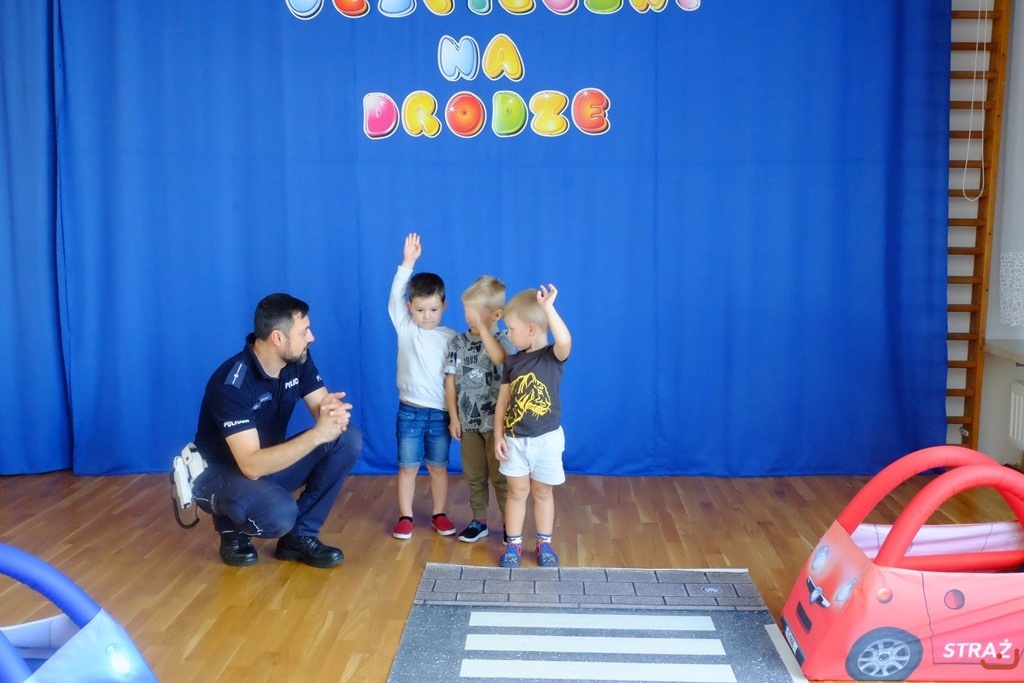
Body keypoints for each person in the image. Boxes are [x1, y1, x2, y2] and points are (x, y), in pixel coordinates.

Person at [190, 293, 361, 568]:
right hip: (221, 474)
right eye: (304, 331)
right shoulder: (232, 384)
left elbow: (323, 409)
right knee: (279, 514)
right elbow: (251, 466)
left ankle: (299, 537)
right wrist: (319, 433)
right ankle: (230, 527)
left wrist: (331, 412)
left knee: (346, 438)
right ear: (278, 338)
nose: (312, 337)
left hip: (266, 463)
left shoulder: (298, 360)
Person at [495, 284, 571, 568]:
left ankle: (544, 542)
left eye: (511, 329)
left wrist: (548, 309)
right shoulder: (512, 362)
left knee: (542, 492)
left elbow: (564, 339)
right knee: (517, 492)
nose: (508, 334)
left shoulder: (553, 356)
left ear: (531, 329)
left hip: (547, 440)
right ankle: (513, 543)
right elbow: (502, 402)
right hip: (515, 440)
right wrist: (498, 435)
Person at [388, 232, 457, 539]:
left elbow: (456, 380)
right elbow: (395, 295)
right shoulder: (406, 328)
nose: (426, 316)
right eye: (419, 310)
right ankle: (405, 516)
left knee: (438, 467)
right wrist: (408, 263)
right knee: (407, 467)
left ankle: (439, 514)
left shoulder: (451, 338)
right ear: (409, 307)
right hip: (410, 412)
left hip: (440, 415)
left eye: (433, 309)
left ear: (444, 305)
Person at [444, 276, 516, 543]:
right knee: (474, 475)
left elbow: (500, 358)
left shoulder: (505, 339)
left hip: (498, 426)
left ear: (497, 314)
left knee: (501, 477)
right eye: (466, 310)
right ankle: (479, 520)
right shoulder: (457, 343)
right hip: (469, 423)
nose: (468, 317)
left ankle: (511, 524)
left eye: (475, 312)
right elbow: (450, 380)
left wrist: (484, 328)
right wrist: (454, 417)